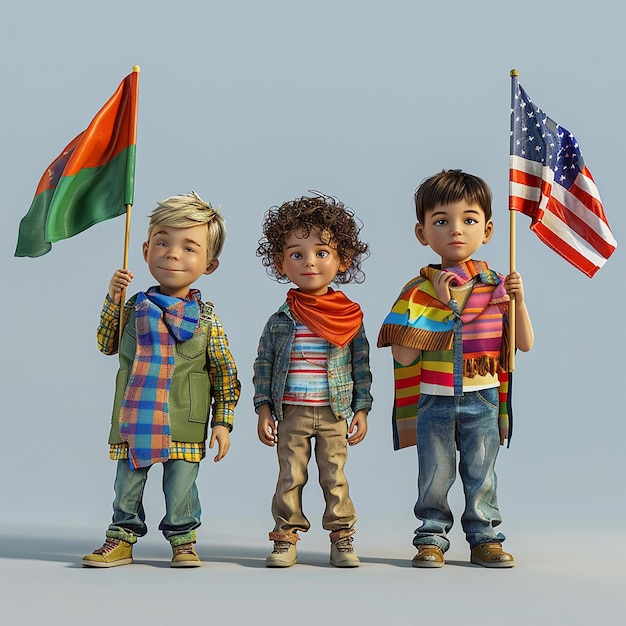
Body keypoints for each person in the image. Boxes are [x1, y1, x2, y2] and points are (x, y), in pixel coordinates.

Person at [378, 170, 533, 568]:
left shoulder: (497, 286)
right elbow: (404, 356)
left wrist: (519, 301)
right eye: (442, 221)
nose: (456, 230)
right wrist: (442, 307)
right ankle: (431, 537)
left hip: (482, 395)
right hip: (435, 398)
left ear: (489, 229)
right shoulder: (419, 290)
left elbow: (524, 343)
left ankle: (485, 538)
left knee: (482, 473)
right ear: (422, 231)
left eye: (469, 219)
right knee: (435, 474)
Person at [82, 191, 240, 568]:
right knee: (127, 485)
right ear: (145, 248)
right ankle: (121, 538)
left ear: (210, 264)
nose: (172, 253)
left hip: (185, 419)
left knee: (181, 487)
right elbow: (106, 344)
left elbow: (224, 374)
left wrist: (223, 422)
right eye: (163, 242)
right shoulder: (134, 308)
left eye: (189, 247)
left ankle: (183, 541)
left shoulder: (205, 320)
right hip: (136, 415)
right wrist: (112, 300)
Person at [254, 193, 372, 568]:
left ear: (342, 261)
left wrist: (362, 409)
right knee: (290, 476)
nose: (309, 262)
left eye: (322, 252)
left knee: (334, 477)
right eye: (296, 253)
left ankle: (341, 537)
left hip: (335, 411)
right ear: (280, 262)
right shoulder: (280, 320)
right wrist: (264, 409)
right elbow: (264, 366)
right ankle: (285, 537)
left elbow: (361, 367)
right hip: (291, 413)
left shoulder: (349, 317)